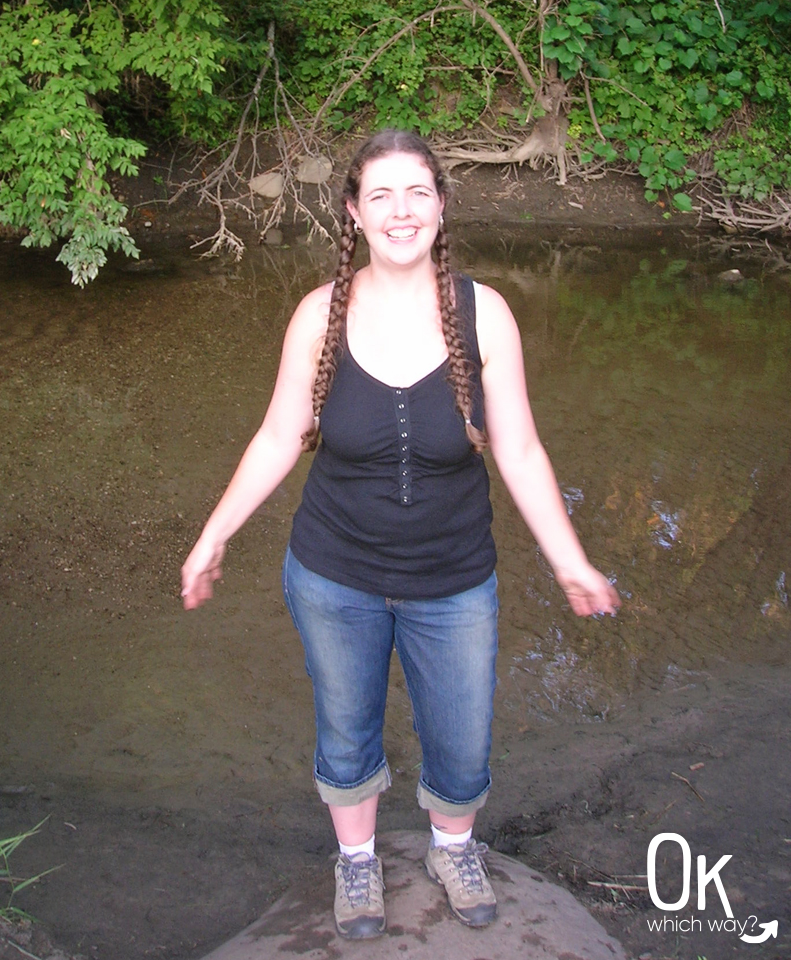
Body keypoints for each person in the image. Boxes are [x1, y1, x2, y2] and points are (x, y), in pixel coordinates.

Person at [181, 129, 620, 940]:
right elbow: (280, 436)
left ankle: (455, 848)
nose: (400, 210)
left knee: (460, 732)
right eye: (380, 195)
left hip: (454, 576)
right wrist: (214, 537)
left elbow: (518, 447)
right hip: (333, 571)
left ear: (442, 205)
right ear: (353, 211)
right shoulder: (321, 315)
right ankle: (357, 864)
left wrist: (570, 561)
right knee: (345, 725)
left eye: (416, 192)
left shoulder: (484, 314)